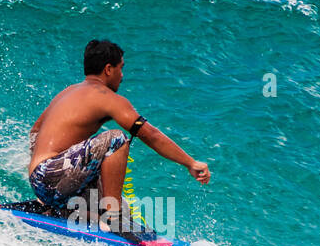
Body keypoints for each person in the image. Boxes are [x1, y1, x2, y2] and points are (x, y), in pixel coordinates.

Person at [27, 39, 210, 235]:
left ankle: (62, 209)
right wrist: (190, 163)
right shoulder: (107, 98)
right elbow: (152, 135)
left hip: (44, 180)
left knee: (127, 216)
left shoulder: (68, 92)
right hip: (52, 178)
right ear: (108, 69)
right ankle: (111, 219)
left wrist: (44, 178)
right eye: (120, 68)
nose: (122, 76)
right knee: (116, 139)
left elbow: (35, 132)